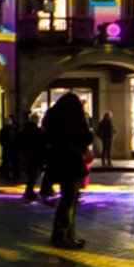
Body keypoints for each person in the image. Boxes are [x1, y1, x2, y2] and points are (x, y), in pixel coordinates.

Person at [42, 92, 92, 248]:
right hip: (72, 162)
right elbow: (86, 137)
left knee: (66, 199)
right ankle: (65, 234)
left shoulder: (52, 118)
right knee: (70, 200)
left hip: (58, 163)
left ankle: (64, 233)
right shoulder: (75, 118)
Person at [20, 115, 48, 201]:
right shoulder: (38, 131)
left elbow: (19, 142)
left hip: (28, 155)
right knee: (33, 174)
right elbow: (43, 144)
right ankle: (29, 191)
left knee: (30, 174)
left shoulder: (24, 130)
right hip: (36, 156)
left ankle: (29, 190)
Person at [0, 116, 19, 181]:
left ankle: (7, 175)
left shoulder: (3, 130)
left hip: (8, 148)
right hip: (12, 148)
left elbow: (1, 140)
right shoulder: (13, 129)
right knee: (12, 162)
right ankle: (13, 175)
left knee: (8, 162)